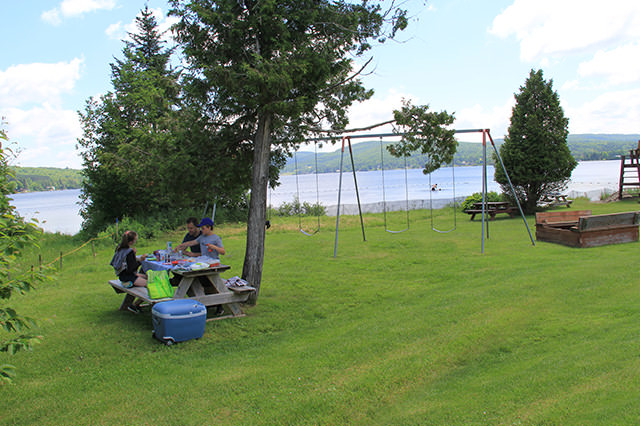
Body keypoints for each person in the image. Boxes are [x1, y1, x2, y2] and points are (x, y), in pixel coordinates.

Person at [110, 230, 147, 313]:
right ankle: (134, 305)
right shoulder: (129, 252)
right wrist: (141, 260)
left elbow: (126, 263)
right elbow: (132, 268)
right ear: (131, 242)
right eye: (135, 240)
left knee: (147, 276)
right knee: (151, 283)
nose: (135, 241)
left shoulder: (119, 248)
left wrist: (133, 255)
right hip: (128, 278)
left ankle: (134, 304)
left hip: (122, 276)